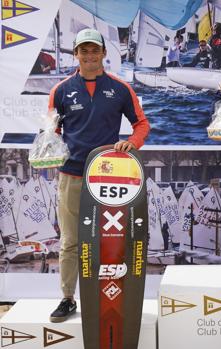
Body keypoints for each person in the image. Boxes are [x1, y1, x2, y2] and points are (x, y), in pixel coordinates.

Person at [48, 28, 150, 322]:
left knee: (110, 240)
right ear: (76, 54)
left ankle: (111, 293)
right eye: (84, 50)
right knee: (69, 241)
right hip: (72, 177)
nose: (90, 55)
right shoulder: (61, 90)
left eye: (95, 50)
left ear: (104, 53)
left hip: (108, 179)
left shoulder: (120, 88)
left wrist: (133, 143)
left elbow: (141, 124)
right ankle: (68, 298)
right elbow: (51, 133)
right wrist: (47, 147)